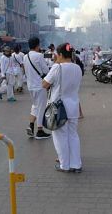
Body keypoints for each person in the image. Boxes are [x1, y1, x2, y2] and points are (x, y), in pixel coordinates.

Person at [42, 43, 83, 173]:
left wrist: (55, 64)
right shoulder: (77, 68)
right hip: (73, 106)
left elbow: (44, 84)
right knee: (73, 136)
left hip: (59, 108)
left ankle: (64, 165)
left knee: (60, 137)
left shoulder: (57, 67)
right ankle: (76, 164)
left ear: (59, 55)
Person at [23, 37, 51, 140]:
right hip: (40, 85)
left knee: (35, 106)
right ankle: (39, 131)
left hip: (30, 86)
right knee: (41, 108)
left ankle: (30, 125)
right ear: (37, 45)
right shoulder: (39, 56)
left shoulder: (25, 57)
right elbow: (46, 70)